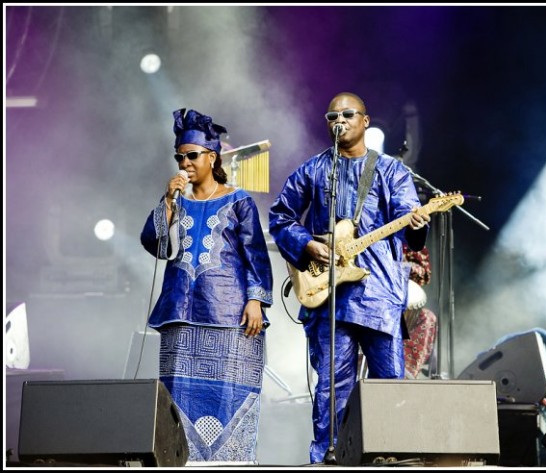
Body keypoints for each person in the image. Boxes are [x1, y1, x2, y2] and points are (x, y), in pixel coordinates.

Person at [268, 92, 431, 463]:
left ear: (365, 121)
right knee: (331, 387)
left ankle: (391, 456)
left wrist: (419, 224)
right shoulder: (313, 170)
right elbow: (280, 216)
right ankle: (331, 458)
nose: (338, 120)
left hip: (380, 294)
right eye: (331, 115)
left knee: (389, 385)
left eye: (347, 114)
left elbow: (410, 224)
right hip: (330, 298)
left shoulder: (391, 171)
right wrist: (308, 245)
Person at [140, 108, 273, 464]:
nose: (185, 162)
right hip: (180, 318)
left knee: (228, 398)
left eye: (192, 156)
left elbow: (256, 256)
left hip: (229, 317)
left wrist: (256, 300)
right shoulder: (177, 199)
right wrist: (167, 201)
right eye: (179, 157)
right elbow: (155, 244)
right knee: (177, 399)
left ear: (211, 158)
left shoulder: (239, 200)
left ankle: (228, 465)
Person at [401, 244, 438, 379]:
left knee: (427, 317)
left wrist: (403, 268)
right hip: (369, 298)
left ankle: (407, 376)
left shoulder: (408, 238)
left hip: (402, 300)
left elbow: (424, 273)